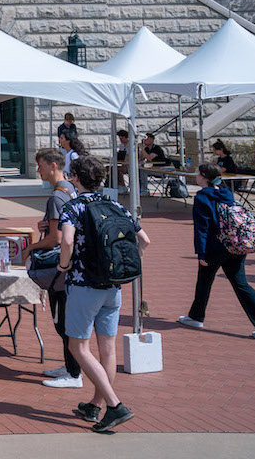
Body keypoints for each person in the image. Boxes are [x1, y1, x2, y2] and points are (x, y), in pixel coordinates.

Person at [56, 156, 149, 432]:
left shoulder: (73, 207)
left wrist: (63, 265)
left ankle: (114, 404)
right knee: (107, 349)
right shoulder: (116, 205)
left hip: (84, 285)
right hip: (113, 284)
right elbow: (144, 240)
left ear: (74, 178)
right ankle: (95, 405)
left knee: (78, 347)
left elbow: (67, 241)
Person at [178, 162, 255, 338]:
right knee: (240, 284)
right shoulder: (226, 193)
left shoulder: (202, 198)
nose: (196, 175)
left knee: (204, 281)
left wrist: (201, 253)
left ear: (204, 176)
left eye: (198, 173)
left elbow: (202, 229)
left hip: (215, 247)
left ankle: (196, 317)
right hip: (235, 244)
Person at [23, 148, 82, 388]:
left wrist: (31, 248)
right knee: (65, 318)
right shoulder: (69, 190)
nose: (38, 170)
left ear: (53, 166)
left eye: (41, 165)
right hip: (71, 264)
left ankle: (74, 373)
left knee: (62, 320)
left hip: (60, 267)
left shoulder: (57, 196)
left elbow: (56, 238)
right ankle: (71, 366)